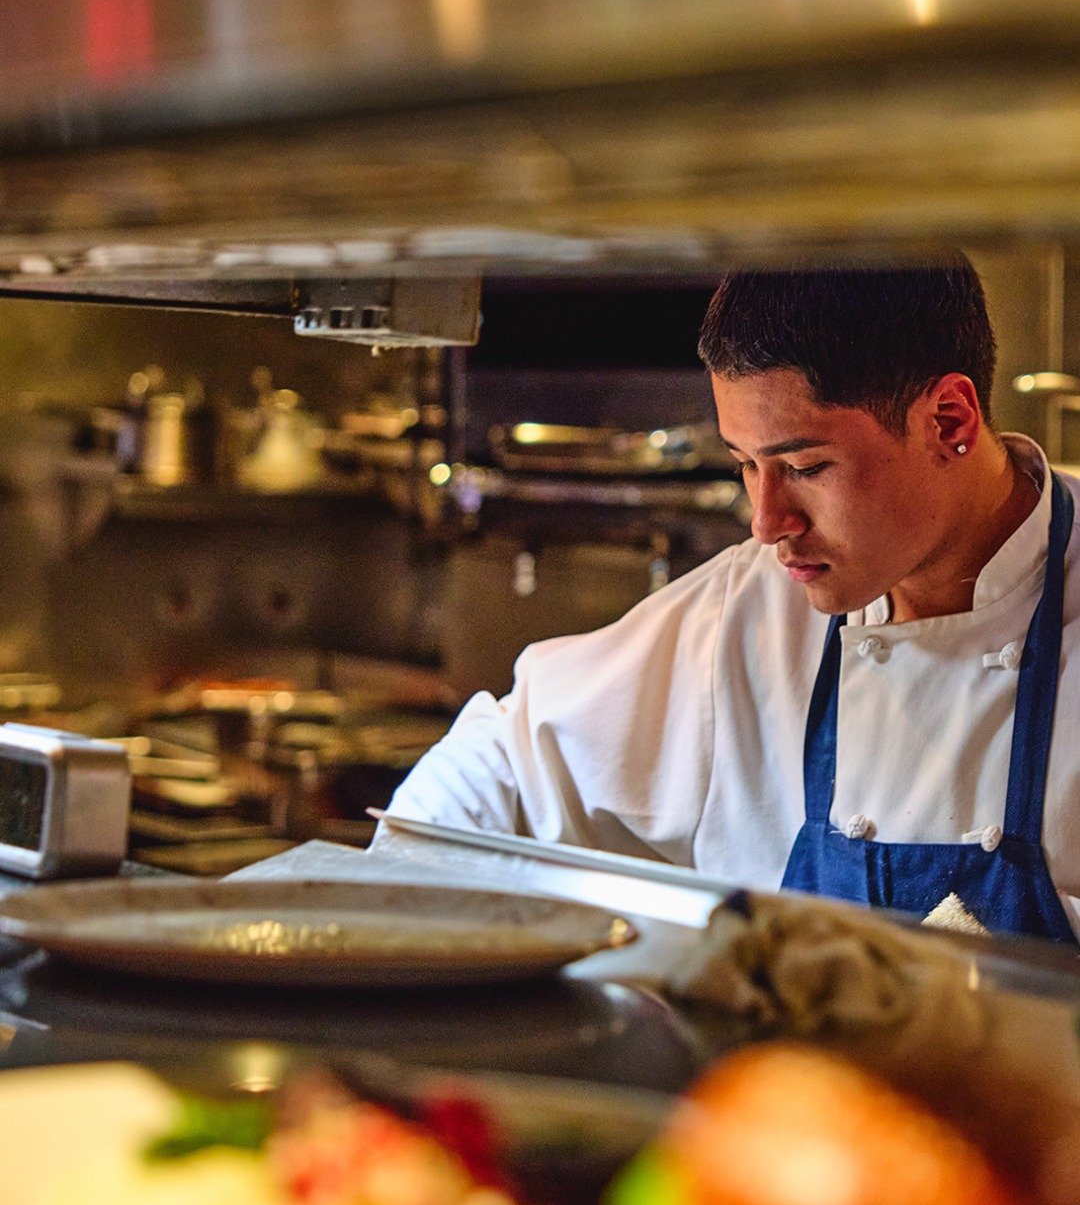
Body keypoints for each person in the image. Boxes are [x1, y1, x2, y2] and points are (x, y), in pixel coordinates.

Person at [384, 261, 1080, 942]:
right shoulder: (748, 609)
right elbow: (500, 767)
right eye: (746, 465)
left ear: (949, 420)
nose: (767, 521)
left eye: (806, 467)